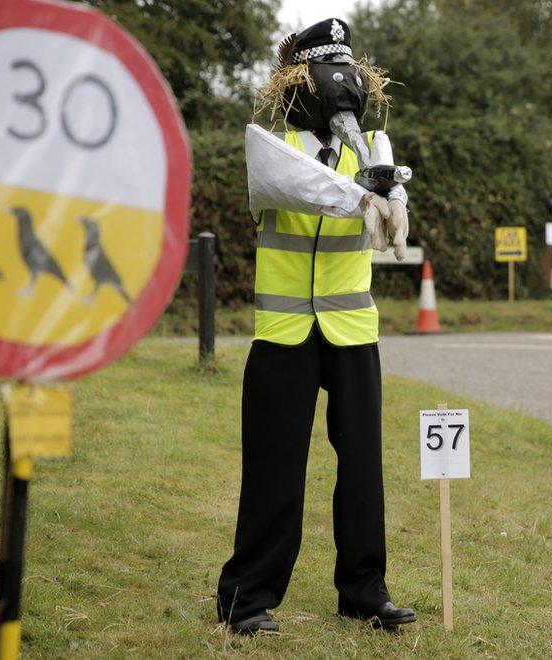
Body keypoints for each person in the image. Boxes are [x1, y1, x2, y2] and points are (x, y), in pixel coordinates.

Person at [216, 18, 415, 634]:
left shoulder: (371, 150)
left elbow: (389, 221)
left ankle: (363, 591)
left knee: (363, 467)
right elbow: (305, 189)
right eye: (329, 77)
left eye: (347, 77)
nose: (342, 89)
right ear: (297, 84)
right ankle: (247, 599)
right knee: (275, 466)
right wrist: (363, 194)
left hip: (352, 328)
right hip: (284, 334)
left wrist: (395, 201)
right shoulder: (274, 150)